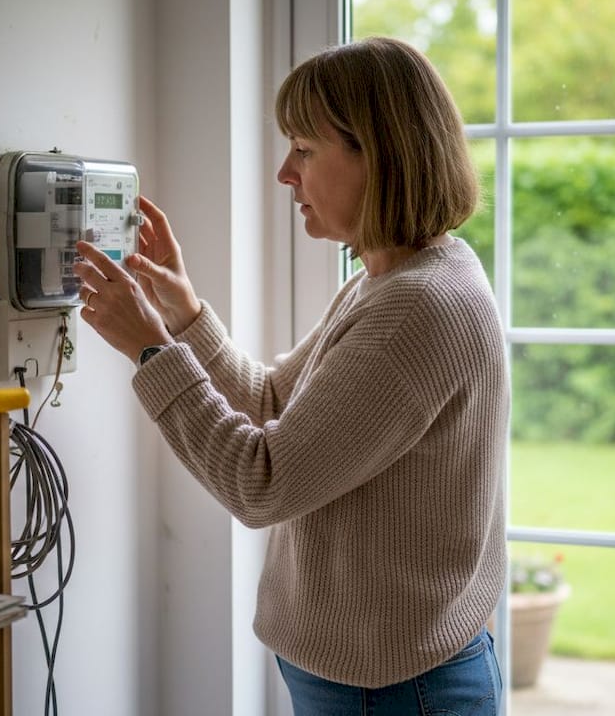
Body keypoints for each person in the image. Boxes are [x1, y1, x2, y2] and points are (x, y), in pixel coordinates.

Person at [73, 36, 509, 715]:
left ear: (380, 154)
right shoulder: (393, 276)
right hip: (376, 678)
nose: (284, 172)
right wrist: (184, 314)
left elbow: (263, 481)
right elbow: (276, 402)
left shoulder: (416, 307)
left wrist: (154, 354)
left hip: (397, 691)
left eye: (304, 149)